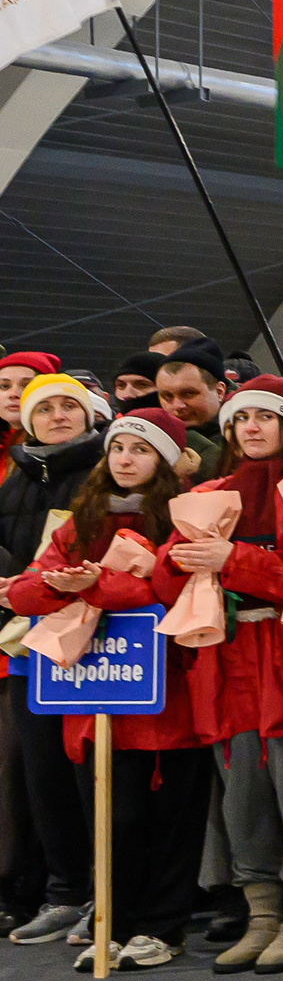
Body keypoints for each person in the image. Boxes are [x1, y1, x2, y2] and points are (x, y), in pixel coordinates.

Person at [3, 408, 215, 967]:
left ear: (166, 462)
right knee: (111, 814)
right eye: (118, 447)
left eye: (140, 450)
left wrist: (96, 586)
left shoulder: (188, 519)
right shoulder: (81, 520)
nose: (125, 458)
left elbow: (170, 586)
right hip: (97, 692)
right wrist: (57, 588)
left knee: (170, 816)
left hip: (171, 691)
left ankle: (162, 928)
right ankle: (114, 925)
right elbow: (28, 589)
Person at [172, 375, 283, 973]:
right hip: (229, 657)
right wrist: (182, 566)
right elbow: (169, 580)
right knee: (243, 794)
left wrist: (233, 560)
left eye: (264, 418)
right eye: (240, 419)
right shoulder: (211, 492)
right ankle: (261, 913)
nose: (250, 427)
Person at [0, 375, 110, 944]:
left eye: (71, 405)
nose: (59, 416)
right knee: (44, 778)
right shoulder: (16, 477)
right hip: (29, 650)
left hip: (104, 649)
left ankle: (106, 893)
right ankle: (65, 891)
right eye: (47, 408)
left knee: (96, 774)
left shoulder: (106, 469)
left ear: (91, 414)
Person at [154, 338, 231, 468]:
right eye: (167, 396)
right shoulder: (150, 441)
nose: (177, 406)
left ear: (219, 391)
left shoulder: (247, 436)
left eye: (188, 394)